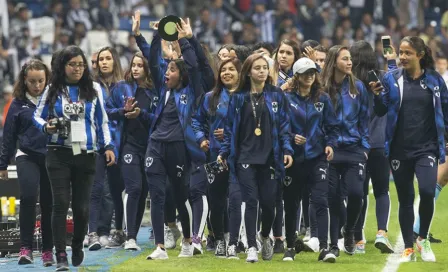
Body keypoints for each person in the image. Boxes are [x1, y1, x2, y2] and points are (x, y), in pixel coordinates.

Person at [33, 45, 115, 270]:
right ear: (63, 66)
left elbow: (103, 121)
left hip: (86, 154)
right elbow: (36, 117)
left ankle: (77, 244)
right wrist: (47, 127)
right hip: (58, 154)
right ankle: (61, 254)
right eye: (72, 65)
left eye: (81, 64)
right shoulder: (52, 89)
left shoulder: (95, 88)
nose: (77, 69)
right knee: (60, 204)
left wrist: (108, 146)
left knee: (81, 208)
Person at [372, 36, 448, 263]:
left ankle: (422, 239)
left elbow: (445, 108)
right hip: (399, 148)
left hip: (426, 147)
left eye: (407, 53)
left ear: (420, 55)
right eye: (401, 53)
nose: (402, 57)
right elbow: (381, 110)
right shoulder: (391, 78)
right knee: (405, 198)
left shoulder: (435, 80)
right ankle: (407, 247)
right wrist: (377, 96)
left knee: (426, 191)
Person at [218, 53, 293, 263]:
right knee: (251, 202)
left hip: (270, 158)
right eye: (257, 68)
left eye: (264, 67)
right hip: (244, 158)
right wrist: (223, 152)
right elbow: (230, 129)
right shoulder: (238, 98)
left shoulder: (277, 95)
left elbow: (285, 126)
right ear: (248, 71)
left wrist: (287, 150)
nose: (262, 71)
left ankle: (264, 235)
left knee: (269, 204)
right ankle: (251, 246)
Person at [145, 18, 204, 260]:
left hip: (179, 148)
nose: (167, 72)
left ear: (182, 74)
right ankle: (159, 247)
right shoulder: (163, 89)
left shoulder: (190, 92)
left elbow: (194, 65)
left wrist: (183, 40)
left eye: (172, 69)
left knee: (180, 196)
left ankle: (188, 241)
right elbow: (152, 61)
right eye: (167, 69)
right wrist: (158, 34)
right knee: (157, 196)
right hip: (156, 145)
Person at [282, 57, 339, 263]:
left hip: (317, 159)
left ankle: (325, 248)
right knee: (291, 204)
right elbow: (280, 128)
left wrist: (330, 145)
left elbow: (332, 126)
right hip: (294, 160)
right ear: (296, 76)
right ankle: (290, 247)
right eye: (305, 72)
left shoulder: (322, 99)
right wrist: (290, 138)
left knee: (321, 201)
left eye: (313, 72)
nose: (310, 76)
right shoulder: (285, 99)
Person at [0, 59, 54, 266]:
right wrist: (3, 164)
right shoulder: (17, 103)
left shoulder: (53, 100)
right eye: (33, 81)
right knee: (28, 197)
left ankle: (48, 250)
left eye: (41, 81)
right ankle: (26, 248)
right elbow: (9, 136)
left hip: (50, 156)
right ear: (25, 80)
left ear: (47, 79)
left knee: (50, 203)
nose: (37, 85)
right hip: (26, 155)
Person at [321, 45, 370, 256]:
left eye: (350, 58)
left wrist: (365, 147)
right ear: (334, 62)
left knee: (356, 193)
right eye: (345, 59)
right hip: (330, 150)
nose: (350, 62)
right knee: (332, 196)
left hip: (354, 149)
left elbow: (365, 119)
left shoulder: (358, 87)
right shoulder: (321, 89)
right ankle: (335, 241)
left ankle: (349, 229)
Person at [192, 57, 242, 258]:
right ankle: (220, 240)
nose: (227, 73)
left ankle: (235, 242)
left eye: (231, 69)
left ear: (240, 73)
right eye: (223, 70)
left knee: (237, 199)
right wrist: (202, 138)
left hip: (239, 156)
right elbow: (197, 120)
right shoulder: (210, 97)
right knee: (217, 200)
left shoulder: (246, 97)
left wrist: (232, 132)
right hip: (215, 156)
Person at [107, 51, 157, 250]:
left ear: (147, 68)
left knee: (144, 191)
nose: (135, 68)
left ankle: (133, 235)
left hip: (151, 147)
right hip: (129, 145)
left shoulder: (156, 91)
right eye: (133, 65)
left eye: (140, 65)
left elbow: (158, 118)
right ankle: (130, 237)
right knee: (134, 188)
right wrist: (123, 111)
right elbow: (107, 111)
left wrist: (141, 114)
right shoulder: (121, 88)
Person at [350, 40, 394, 254]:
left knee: (358, 192)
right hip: (379, 143)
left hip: (356, 143)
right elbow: (389, 103)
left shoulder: (350, 83)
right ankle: (381, 233)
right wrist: (391, 58)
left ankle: (358, 240)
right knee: (382, 190)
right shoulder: (383, 78)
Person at [87, 46, 124, 250]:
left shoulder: (123, 86)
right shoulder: (91, 87)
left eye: (108, 58)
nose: (103, 62)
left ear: (114, 61)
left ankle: (113, 230)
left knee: (115, 191)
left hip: (120, 143)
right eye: (100, 59)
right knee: (98, 189)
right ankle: (97, 230)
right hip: (98, 143)